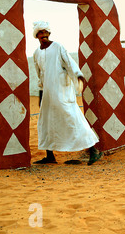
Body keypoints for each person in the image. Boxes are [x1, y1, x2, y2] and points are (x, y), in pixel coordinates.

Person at [32, 21, 102, 165]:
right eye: (40, 33)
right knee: (46, 122)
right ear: (37, 36)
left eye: (46, 32)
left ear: (49, 33)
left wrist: (78, 75)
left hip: (62, 91)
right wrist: (41, 93)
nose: (43, 35)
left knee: (73, 119)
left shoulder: (58, 47)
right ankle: (50, 156)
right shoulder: (36, 53)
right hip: (47, 94)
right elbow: (40, 75)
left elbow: (70, 63)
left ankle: (94, 150)